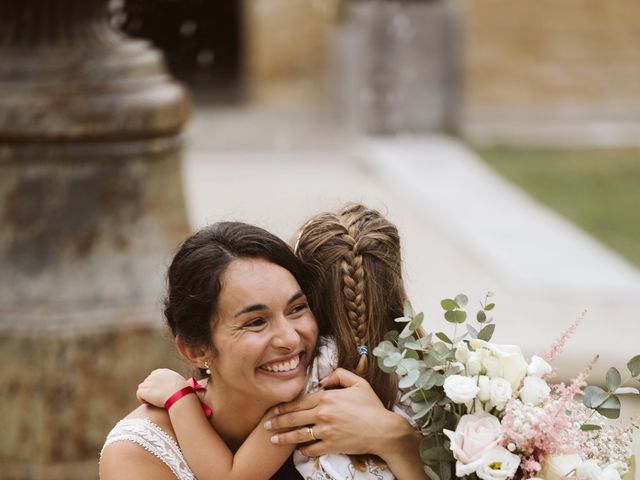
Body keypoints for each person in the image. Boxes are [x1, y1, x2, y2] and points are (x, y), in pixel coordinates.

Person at [99, 220, 425, 480]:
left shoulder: (339, 400)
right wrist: (180, 401)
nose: (290, 339)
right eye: (256, 322)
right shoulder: (141, 452)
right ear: (196, 350)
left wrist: (396, 440)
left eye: (297, 308)